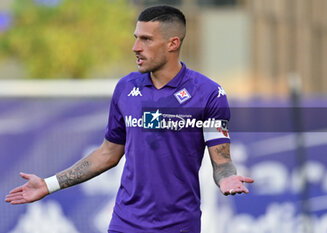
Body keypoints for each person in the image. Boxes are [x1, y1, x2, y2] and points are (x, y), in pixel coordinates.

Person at [5, 5, 254, 233]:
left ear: (173, 43)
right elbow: (108, 154)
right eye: (136, 37)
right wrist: (49, 185)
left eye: (146, 39)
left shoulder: (208, 93)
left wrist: (227, 177)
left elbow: (222, 162)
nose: (136, 47)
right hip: (125, 223)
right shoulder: (126, 88)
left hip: (179, 225)